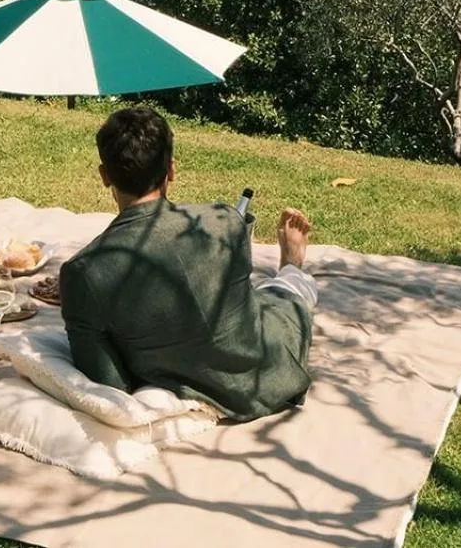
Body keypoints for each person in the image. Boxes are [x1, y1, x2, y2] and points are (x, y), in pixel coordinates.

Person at [58, 106, 317, 421]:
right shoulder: (226, 221)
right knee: (286, 292)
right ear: (171, 170)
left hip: (186, 384)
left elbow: (108, 383)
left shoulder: (82, 273)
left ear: (104, 175)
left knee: (274, 294)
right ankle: (292, 265)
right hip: (268, 371)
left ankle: (290, 268)